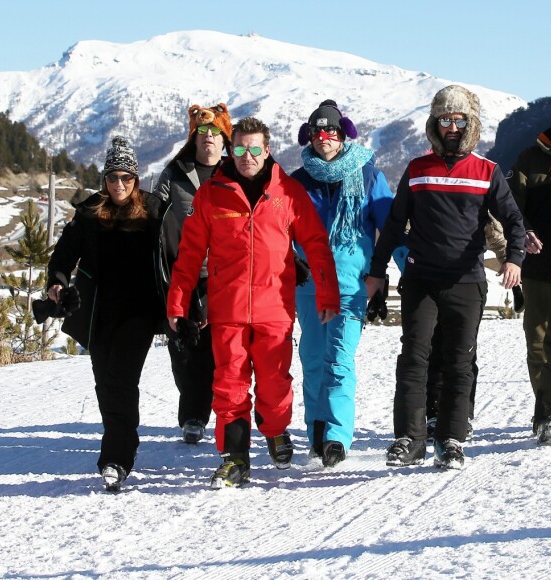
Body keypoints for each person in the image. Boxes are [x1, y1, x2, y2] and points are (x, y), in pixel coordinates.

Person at [167, 117, 340, 488]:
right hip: (226, 309)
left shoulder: (288, 193)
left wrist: (328, 294)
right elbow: (189, 255)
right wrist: (178, 307)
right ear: (231, 151)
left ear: (268, 150)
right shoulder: (212, 194)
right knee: (228, 385)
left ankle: (276, 431)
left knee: (275, 384)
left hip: (274, 308)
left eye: (255, 148)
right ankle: (235, 458)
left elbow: (316, 246)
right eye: (241, 148)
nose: (248, 156)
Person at [367, 85, 525, 470]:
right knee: (413, 359)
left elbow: (514, 221)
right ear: (434, 124)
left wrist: (514, 260)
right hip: (421, 281)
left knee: (458, 361)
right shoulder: (418, 170)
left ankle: (451, 440)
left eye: (458, 120)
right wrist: (376, 273)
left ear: (469, 125)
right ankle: (410, 438)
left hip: (466, 282)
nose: (451, 127)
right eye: (444, 120)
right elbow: (393, 225)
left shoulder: (487, 172)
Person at [46, 136, 179, 491]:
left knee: (120, 378)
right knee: (105, 382)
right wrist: (56, 283)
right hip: (97, 313)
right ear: (104, 179)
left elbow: (174, 257)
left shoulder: (153, 211)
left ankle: (116, 458)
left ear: (136, 179)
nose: (119, 185)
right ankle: (123, 440)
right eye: (112, 177)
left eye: (126, 178)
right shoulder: (89, 213)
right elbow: (63, 256)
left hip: (139, 312)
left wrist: (182, 305)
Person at [291, 99, 406, 467]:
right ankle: (317, 433)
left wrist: (402, 273)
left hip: (351, 285)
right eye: (317, 131)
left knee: (339, 360)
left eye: (331, 131)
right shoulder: (296, 182)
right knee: (311, 359)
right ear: (308, 136)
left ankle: (337, 437)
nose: (324, 137)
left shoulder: (369, 176)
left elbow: (390, 231)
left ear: (343, 135)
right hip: (308, 285)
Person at [154, 103, 232, 444]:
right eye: (203, 133)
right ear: (194, 137)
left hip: (227, 274)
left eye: (216, 133)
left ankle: (222, 413)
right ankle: (193, 416)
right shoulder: (174, 173)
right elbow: (153, 216)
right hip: (183, 273)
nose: (209, 139)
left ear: (225, 139)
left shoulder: (235, 172)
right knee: (186, 350)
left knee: (224, 349)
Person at [425, 213, 523, 441]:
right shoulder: (429, 188)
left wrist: (510, 262)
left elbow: (496, 236)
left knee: (464, 351)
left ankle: (462, 416)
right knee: (433, 347)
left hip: (468, 283)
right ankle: (434, 413)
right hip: (430, 280)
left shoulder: (477, 191)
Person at [508, 86, 551, 445]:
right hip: (538, 269)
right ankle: (547, 408)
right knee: (538, 345)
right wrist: (524, 230)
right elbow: (511, 207)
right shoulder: (531, 158)